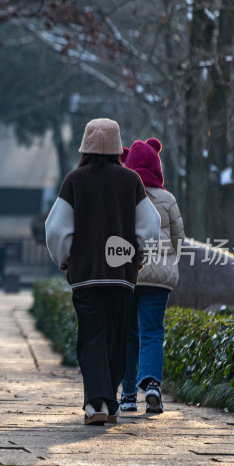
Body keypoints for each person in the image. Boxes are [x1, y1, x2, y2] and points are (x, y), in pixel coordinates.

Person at [45, 118, 160, 425]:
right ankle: (110, 402)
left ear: (85, 147)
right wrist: (138, 256)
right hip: (122, 275)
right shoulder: (131, 181)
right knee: (117, 337)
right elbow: (150, 226)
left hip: (86, 276)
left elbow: (56, 229)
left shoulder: (74, 180)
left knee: (92, 337)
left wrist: (66, 260)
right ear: (116, 147)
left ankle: (95, 404)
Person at [119, 138, 185, 414]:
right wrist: (168, 260)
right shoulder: (168, 199)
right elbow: (179, 239)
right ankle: (154, 385)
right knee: (153, 332)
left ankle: (128, 395)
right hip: (159, 278)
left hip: (129, 273)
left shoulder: (124, 195)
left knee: (128, 336)